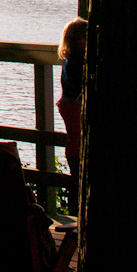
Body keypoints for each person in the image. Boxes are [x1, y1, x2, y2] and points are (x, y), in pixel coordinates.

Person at [56, 16, 87, 213]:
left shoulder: (68, 62)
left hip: (70, 110)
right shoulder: (78, 64)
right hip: (75, 111)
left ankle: (74, 208)